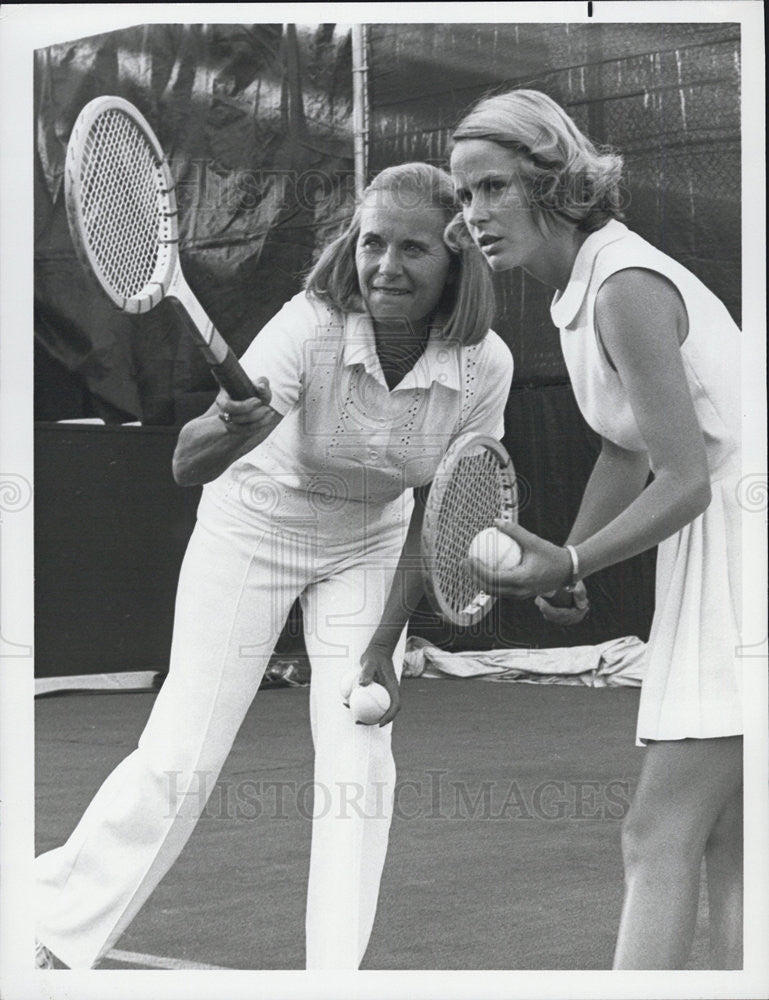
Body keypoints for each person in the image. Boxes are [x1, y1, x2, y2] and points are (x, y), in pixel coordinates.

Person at [34, 162, 513, 970]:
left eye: (413, 249)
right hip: (254, 525)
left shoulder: (483, 365)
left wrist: (382, 648)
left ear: (456, 260)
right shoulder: (308, 327)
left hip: (369, 538)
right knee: (181, 753)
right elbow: (189, 466)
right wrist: (231, 425)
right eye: (371, 244)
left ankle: (334, 974)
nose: (386, 267)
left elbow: (443, 510)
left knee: (363, 753)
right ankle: (50, 929)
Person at [450, 89, 742, 970]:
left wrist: (568, 555)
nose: (476, 216)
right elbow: (628, 448)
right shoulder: (581, 287)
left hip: (741, 549)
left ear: (554, 183)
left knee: (654, 835)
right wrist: (572, 564)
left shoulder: (623, 286)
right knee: (728, 843)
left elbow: (685, 478)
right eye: (465, 196)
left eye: (494, 187)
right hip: (724, 542)